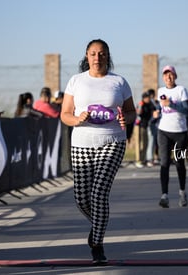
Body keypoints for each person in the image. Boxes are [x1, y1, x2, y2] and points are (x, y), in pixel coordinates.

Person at [60, 39, 136, 265]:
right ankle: (99, 225)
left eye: (101, 53)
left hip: (112, 142)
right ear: (86, 56)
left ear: (107, 56)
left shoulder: (119, 82)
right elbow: (65, 113)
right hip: (81, 143)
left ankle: (97, 244)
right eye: (93, 53)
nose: (97, 57)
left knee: (98, 194)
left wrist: (126, 118)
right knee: (82, 198)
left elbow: (132, 112)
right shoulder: (76, 81)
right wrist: (77, 119)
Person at [157, 65, 188, 208]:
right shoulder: (160, 91)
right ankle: (164, 195)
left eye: (170, 75)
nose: (168, 77)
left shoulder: (181, 90)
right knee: (164, 163)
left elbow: (186, 110)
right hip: (163, 131)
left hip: (180, 132)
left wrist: (171, 104)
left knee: (179, 163)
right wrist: (156, 113)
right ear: (163, 77)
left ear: (175, 76)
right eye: (165, 75)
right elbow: (162, 109)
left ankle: (182, 192)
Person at [135, 91, 155, 168]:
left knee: (145, 143)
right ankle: (139, 160)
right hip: (140, 126)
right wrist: (139, 110)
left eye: (149, 97)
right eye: (147, 98)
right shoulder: (141, 104)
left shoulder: (150, 104)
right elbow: (138, 113)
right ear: (144, 98)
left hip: (147, 126)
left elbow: (154, 110)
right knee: (140, 144)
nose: (148, 99)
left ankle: (144, 159)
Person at [147, 88, 161, 165]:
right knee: (151, 142)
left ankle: (155, 157)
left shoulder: (155, 102)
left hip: (156, 124)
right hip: (151, 124)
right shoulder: (149, 103)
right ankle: (149, 159)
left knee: (156, 142)